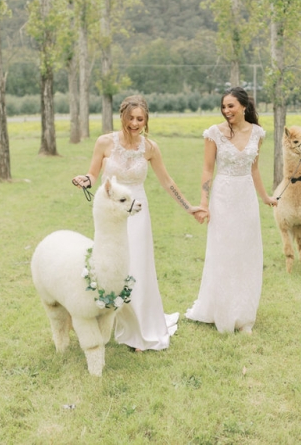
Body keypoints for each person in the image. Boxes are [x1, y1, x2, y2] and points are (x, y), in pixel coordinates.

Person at [72, 95, 199, 351]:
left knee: (138, 265)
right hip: (111, 214)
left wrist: (188, 207)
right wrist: (85, 180)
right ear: (122, 116)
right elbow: (93, 174)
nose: (135, 123)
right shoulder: (105, 142)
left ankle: (140, 329)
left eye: (140, 119)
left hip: (138, 210)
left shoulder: (150, 148)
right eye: (130, 118)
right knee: (110, 264)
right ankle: (106, 319)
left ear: (146, 120)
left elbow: (167, 181)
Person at [185, 87, 277, 334]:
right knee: (224, 253)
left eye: (231, 106)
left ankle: (244, 314)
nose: (226, 111)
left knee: (246, 254)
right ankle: (223, 313)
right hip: (223, 197)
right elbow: (207, 169)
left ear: (244, 106)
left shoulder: (258, 133)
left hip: (246, 197)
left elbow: (254, 169)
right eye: (223, 107)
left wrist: (265, 196)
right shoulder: (214, 133)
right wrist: (203, 204)